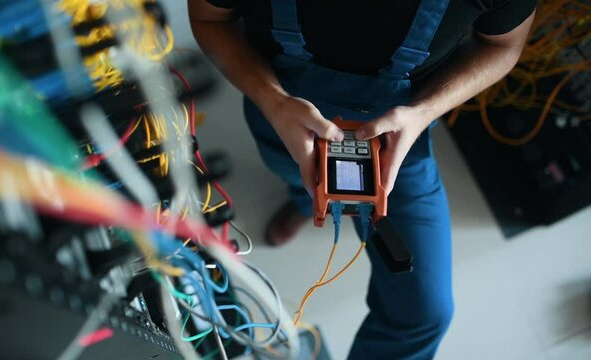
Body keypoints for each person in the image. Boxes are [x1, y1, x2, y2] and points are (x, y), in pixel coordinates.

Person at [189, 0, 536, 358]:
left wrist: (422, 114)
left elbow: (504, 44)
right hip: (281, 120)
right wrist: (273, 101)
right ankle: (303, 200)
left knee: (425, 313)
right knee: (297, 175)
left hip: (400, 145)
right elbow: (208, 18)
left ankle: (309, 198)